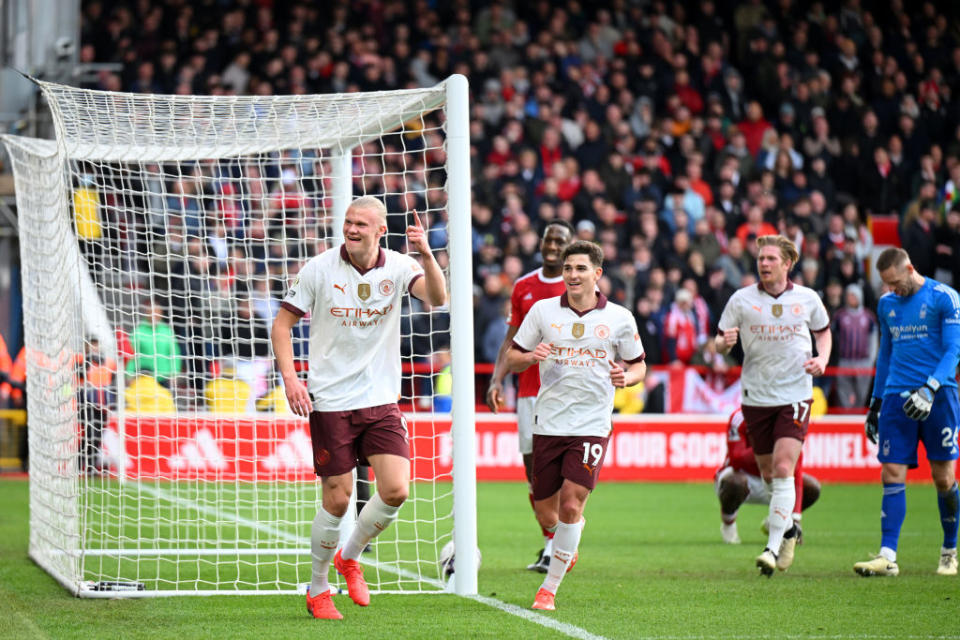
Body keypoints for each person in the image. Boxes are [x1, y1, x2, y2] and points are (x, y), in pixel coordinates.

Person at [272, 196, 446, 620]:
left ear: (380, 230)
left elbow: (437, 298)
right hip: (331, 401)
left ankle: (350, 558)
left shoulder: (401, 266)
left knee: (396, 490)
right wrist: (291, 379)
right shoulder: (320, 268)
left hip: (381, 399)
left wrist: (425, 254)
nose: (351, 229)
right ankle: (317, 589)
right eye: (348, 222)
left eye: (361, 224)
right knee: (337, 500)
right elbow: (281, 324)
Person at [506, 240, 646, 610]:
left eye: (581, 268)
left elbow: (639, 365)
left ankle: (548, 589)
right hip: (548, 422)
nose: (572, 275)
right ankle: (570, 538)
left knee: (571, 504)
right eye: (568, 268)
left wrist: (627, 379)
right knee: (545, 510)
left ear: (597, 274)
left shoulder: (619, 318)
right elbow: (512, 357)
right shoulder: (542, 311)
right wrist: (529, 357)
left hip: (592, 424)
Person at [715, 234, 831, 576]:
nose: (763, 264)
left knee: (783, 468)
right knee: (768, 474)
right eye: (760, 258)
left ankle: (773, 544)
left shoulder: (808, 299)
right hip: (756, 396)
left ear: (787, 263)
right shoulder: (741, 299)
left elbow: (823, 332)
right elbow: (718, 341)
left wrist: (821, 359)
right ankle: (788, 528)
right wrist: (724, 343)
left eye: (770, 259)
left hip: (795, 394)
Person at [854, 247, 960, 577]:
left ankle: (949, 549)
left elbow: (954, 349)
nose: (891, 291)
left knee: (943, 478)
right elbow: (885, 354)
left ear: (910, 269)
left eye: (895, 283)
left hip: (939, 396)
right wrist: (875, 404)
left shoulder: (945, 297)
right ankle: (888, 556)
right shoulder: (887, 305)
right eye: (886, 285)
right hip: (897, 398)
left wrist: (930, 388)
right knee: (891, 473)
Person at [485, 220, 574, 572]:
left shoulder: (577, 284)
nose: (552, 245)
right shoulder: (524, 286)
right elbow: (512, 339)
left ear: (570, 246)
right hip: (529, 391)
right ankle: (551, 542)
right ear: (541, 243)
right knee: (533, 471)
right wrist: (496, 379)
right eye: (548, 239)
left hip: (567, 390)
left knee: (565, 471)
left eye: (560, 241)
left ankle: (563, 542)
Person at [716, 407, 821, 544]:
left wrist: (796, 519)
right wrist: (770, 451)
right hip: (744, 476)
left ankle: (776, 521)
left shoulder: (790, 423)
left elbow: (796, 470)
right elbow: (736, 457)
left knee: (812, 488)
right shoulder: (740, 416)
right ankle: (728, 523)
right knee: (735, 483)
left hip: (776, 480)